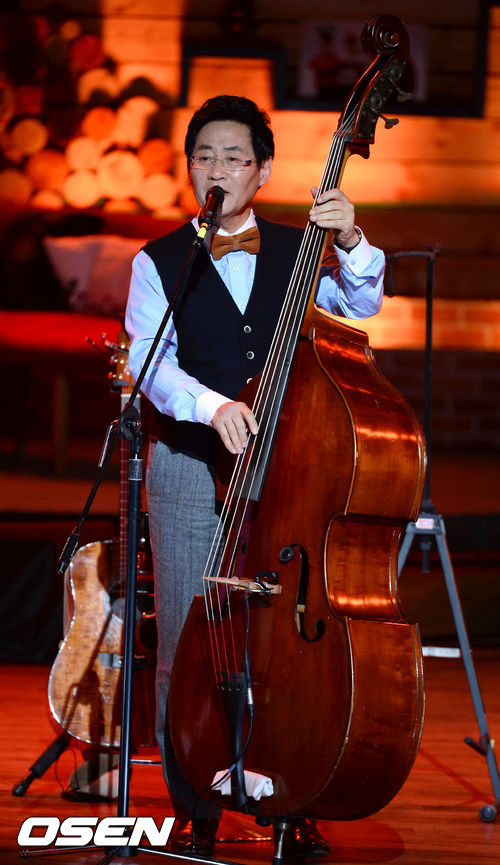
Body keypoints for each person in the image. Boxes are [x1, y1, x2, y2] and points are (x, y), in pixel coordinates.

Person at [125, 94, 385, 861]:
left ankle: (292, 799)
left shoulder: (301, 251)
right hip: (186, 460)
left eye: (234, 156)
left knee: (283, 643)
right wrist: (212, 408)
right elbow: (151, 366)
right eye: (204, 156)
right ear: (188, 168)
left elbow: (362, 302)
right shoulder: (157, 260)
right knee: (187, 636)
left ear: (263, 170)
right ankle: (194, 805)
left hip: (287, 466)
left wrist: (352, 238)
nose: (218, 168)